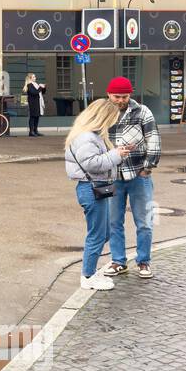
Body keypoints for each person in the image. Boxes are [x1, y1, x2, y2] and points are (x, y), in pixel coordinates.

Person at [65, 99, 129, 290]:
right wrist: (116, 154)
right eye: (112, 119)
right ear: (103, 117)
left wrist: (117, 153)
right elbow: (92, 163)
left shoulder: (91, 136)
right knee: (97, 235)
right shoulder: (87, 137)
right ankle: (88, 276)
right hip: (91, 188)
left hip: (96, 188)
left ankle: (90, 271)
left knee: (103, 233)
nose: (113, 123)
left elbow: (97, 161)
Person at [104, 75, 161, 280]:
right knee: (113, 222)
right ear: (108, 94)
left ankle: (143, 261)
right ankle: (119, 261)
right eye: (117, 96)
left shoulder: (142, 112)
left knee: (144, 221)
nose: (120, 100)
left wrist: (148, 167)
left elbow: (153, 139)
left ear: (130, 95)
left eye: (124, 96)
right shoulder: (102, 113)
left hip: (139, 175)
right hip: (112, 176)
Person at [24, 72, 47, 137]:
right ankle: (31, 132)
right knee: (33, 117)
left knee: (37, 116)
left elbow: (42, 92)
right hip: (33, 103)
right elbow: (34, 92)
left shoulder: (35, 84)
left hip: (38, 102)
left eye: (35, 77)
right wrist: (40, 87)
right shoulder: (29, 85)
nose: (35, 78)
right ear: (30, 78)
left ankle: (35, 130)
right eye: (34, 77)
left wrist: (43, 87)